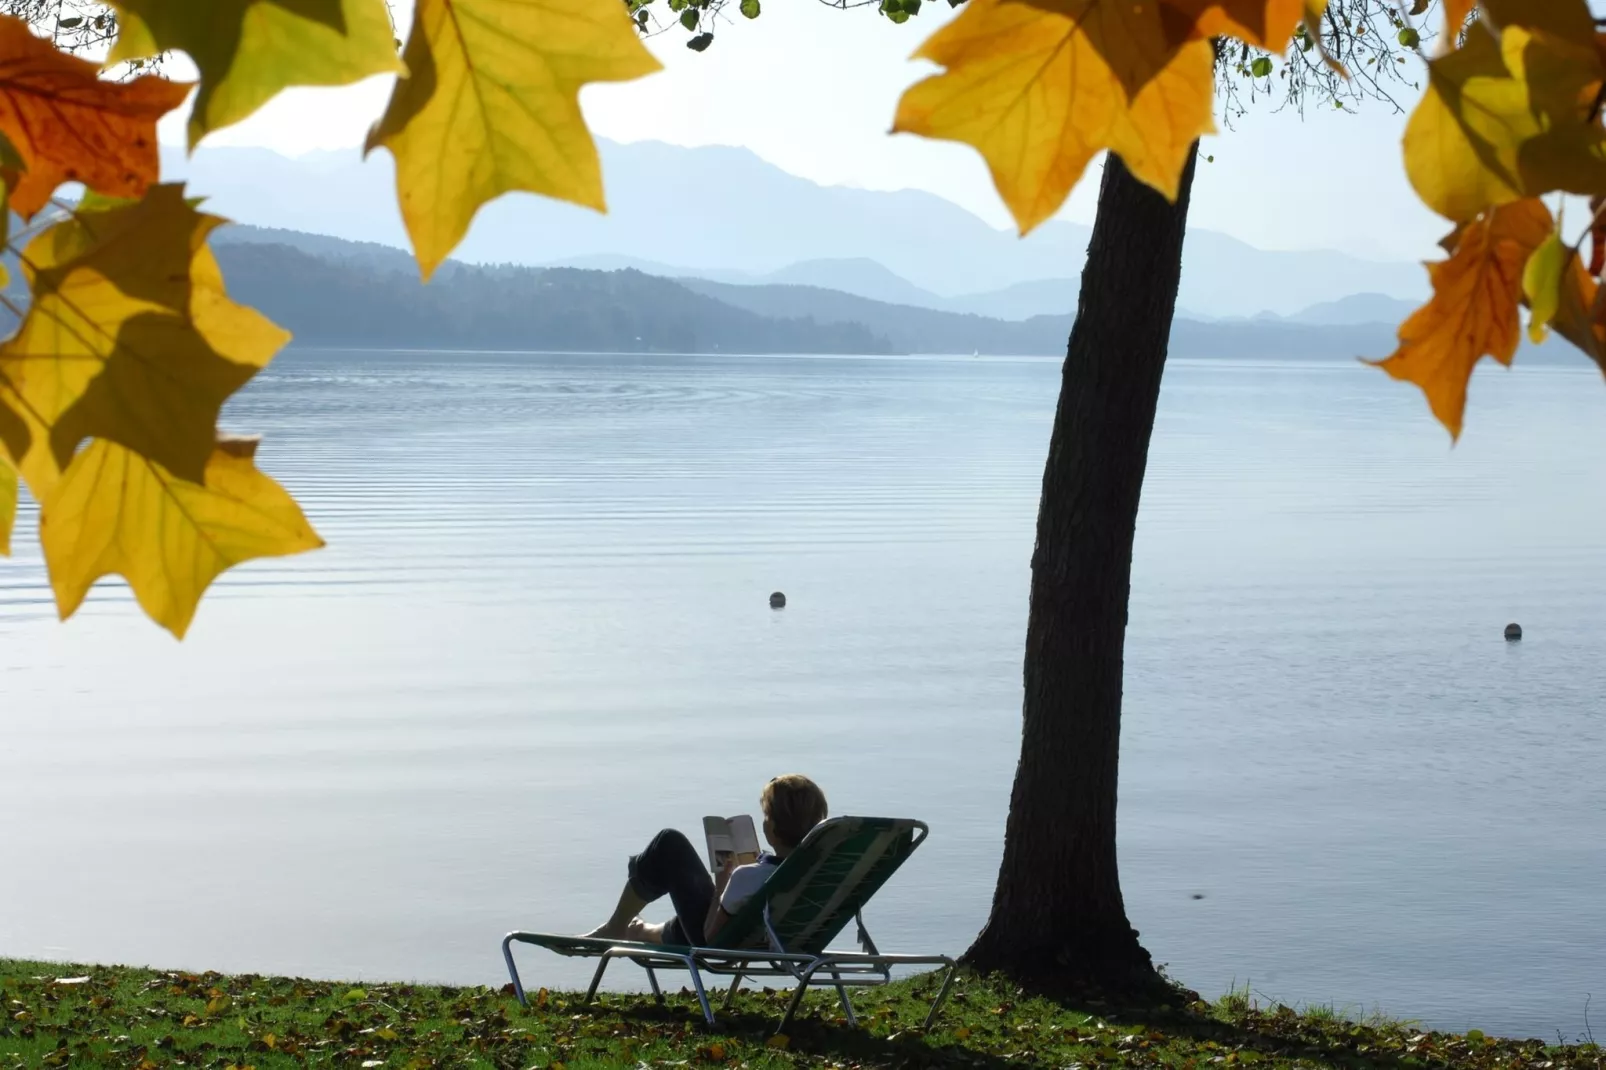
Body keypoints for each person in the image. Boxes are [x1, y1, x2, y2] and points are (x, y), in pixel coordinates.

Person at [583, 774, 828, 947]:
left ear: (772, 829)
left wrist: (723, 883)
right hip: (771, 938)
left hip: (723, 943)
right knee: (702, 901)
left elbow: (709, 938)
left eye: (766, 816)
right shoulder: (817, 872)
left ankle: (617, 926)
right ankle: (640, 932)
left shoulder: (748, 877)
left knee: (669, 843)